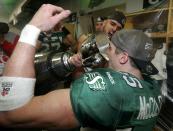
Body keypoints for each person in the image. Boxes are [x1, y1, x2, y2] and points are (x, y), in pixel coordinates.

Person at [0, 4, 162, 131]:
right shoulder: (154, 89)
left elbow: (10, 114)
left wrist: (33, 29)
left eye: (110, 49)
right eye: (112, 24)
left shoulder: (102, 91)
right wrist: (77, 64)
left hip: (88, 100)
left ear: (123, 57)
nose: (107, 52)